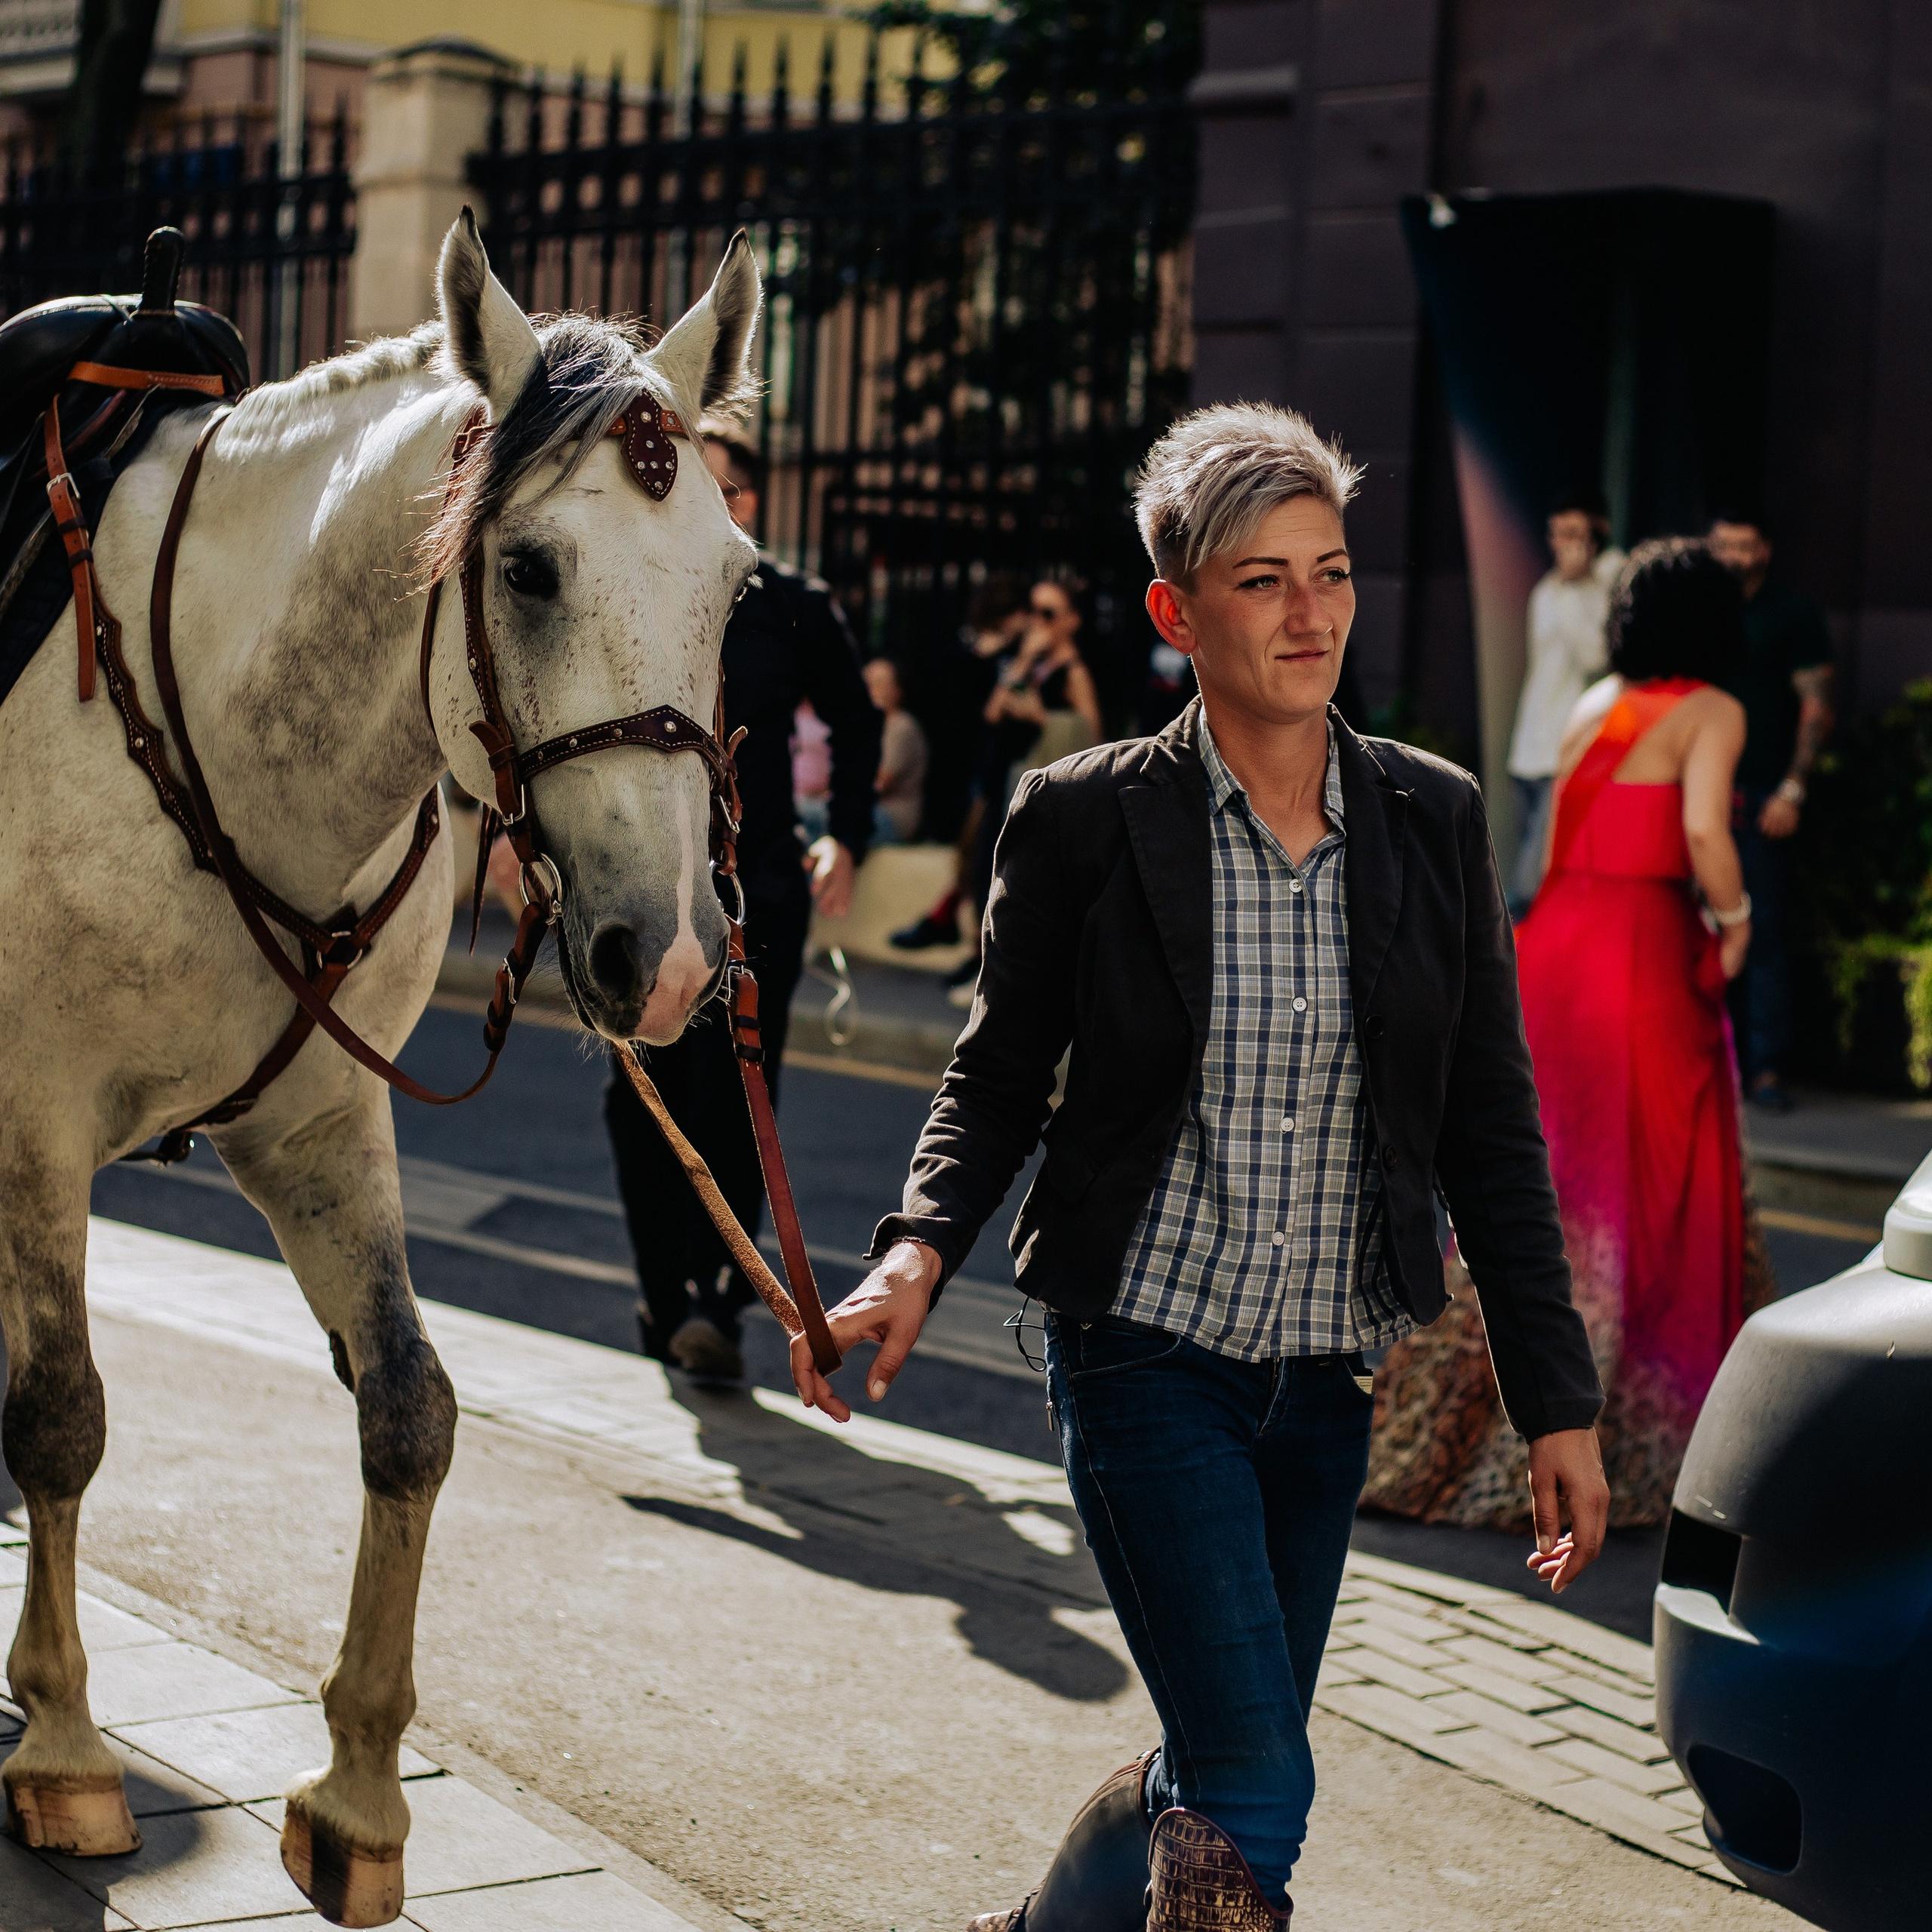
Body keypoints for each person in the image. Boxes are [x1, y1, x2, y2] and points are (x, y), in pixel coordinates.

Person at [786, 401, 1608, 1927]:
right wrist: (913, 1248)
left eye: (1331, 571)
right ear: (1175, 609)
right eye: (1261, 580)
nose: (1310, 613)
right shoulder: (1087, 815)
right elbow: (1000, 1068)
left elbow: (1485, 1125)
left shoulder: (1428, 817)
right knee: (1257, 1782)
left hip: (1319, 1379)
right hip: (1143, 1349)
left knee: (1223, 1763)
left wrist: (1556, 1397)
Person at [1364, 538, 1777, 1532]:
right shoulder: (1712, 710)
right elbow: (1707, 835)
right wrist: (1737, 920)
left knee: (1530, 1199)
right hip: (1642, 958)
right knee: (1650, 1197)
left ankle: (1431, 1441)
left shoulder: (1596, 701)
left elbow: (1550, 834)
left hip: (1553, 952)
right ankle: (1644, 1452)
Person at [603, 431, 881, 1383]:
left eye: (715, 485)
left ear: (748, 505)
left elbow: (858, 717)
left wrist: (844, 833)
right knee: (641, 1097)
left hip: (757, 886)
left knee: (738, 1093)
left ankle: (719, 1302)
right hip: (648, 888)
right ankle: (663, 1292)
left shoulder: (793, 606)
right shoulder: (632, 584)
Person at [1707, 509, 1835, 1112]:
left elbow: (1816, 705)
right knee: (1698, 930)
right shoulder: (1699, 609)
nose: (1734, 556)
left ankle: (1765, 1070)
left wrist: (1793, 789)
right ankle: (1714, 1062)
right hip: (1698, 799)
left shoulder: (1792, 614)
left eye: (1745, 545)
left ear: (1765, 549)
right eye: (1724, 545)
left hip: (1762, 801)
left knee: (1763, 936)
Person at [947, 579, 1104, 1002]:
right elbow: (993, 711)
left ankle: (998, 979)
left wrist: (1042, 719)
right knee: (984, 873)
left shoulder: (1074, 672)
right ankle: (982, 967)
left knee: (1014, 884)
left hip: (1038, 794)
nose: (1038, 621)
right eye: (1034, 611)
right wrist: (1026, 657)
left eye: (1049, 614)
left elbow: (1094, 738)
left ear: (1072, 622)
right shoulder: (1032, 664)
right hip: (1003, 781)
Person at [1504, 493, 1623, 914]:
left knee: (1531, 885)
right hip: (1530, 750)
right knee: (1526, 866)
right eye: (1557, 534)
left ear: (1596, 541)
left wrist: (1578, 586)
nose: (1562, 544)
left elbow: (1595, 658)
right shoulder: (1547, 590)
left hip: (1567, 752)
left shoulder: (1606, 590)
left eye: (1574, 535)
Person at [864, 655, 928, 844]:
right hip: (870, 809)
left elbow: (881, 783)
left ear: (897, 691)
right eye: (865, 682)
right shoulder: (870, 727)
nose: (868, 690)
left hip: (893, 816)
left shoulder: (901, 726)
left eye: (876, 683)